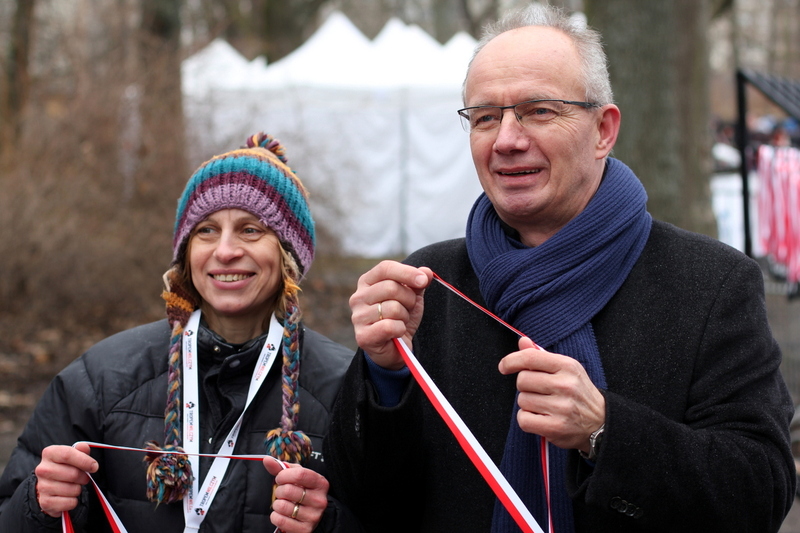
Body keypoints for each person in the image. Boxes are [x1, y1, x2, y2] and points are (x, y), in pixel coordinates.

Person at [324, 5, 795, 533]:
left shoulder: (711, 283)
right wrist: (384, 375)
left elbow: (761, 491)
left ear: (603, 130)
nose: (506, 139)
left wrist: (604, 430)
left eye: (538, 111)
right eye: (484, 117)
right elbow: (363, 499)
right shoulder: (427, 284)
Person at [0, 133, 362, 532]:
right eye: (206, 230)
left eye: (250, 230)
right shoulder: (100, 379)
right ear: (186, 254)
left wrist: (328, 524)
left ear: (289, 256)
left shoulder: (345, 388)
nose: (224, 251)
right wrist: (41, 503)